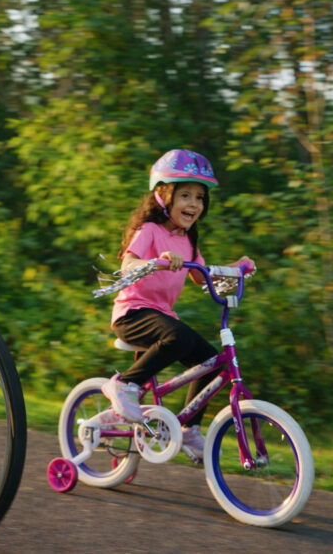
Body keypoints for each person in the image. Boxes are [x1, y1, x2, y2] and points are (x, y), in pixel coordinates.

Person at [101, 149, 255, 463]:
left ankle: (188, 429)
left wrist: (235, 268)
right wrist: (155, 262)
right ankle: (125, 384)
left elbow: (203, 277)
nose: (194, 204)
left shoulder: (188, 241)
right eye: (185, 195)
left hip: (162, 317)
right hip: (134, 313)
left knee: (213, 363)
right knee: (179, 337)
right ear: (162, 195)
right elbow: (129, 263)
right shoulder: (149, 231)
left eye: (199, 198)